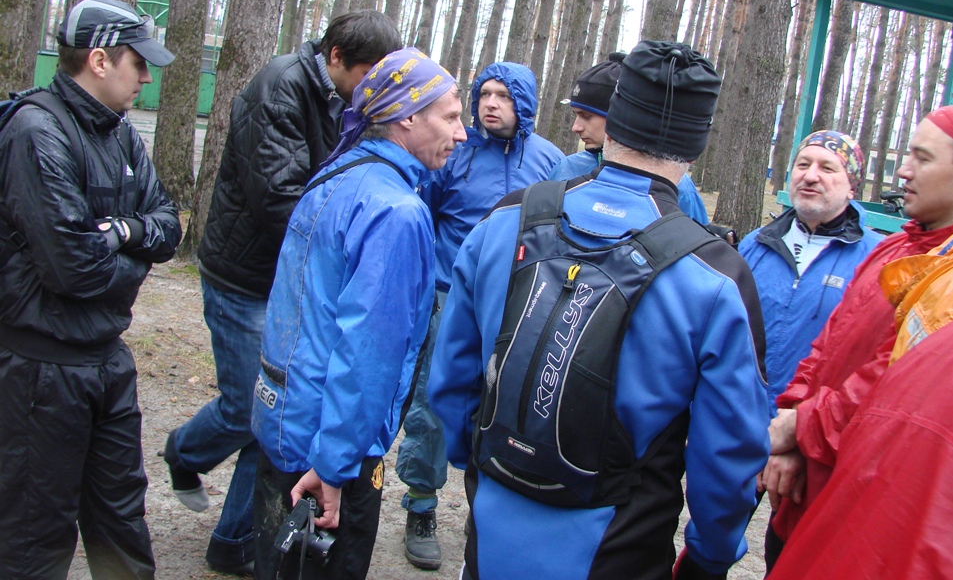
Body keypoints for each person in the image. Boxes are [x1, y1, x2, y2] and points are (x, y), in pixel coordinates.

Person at [429, 40, 769, 580]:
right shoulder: (715, 275)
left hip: (495, 516)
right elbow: (728, 452)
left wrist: (476, 464)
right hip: (621, 543)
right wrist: (711, 555)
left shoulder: (506, 220)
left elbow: (452, 377)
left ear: (614, 122)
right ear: (695, 145)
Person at [163, 11, 400, 574]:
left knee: (274, 415)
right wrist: (344, 247)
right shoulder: (279, 88)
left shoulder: (345, 98)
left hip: (285, 280)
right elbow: (279, 198)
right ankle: (185, 451)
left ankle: (233, 539)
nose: (373, 86)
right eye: (367, 72)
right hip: (244, 277)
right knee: (249, 410)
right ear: (336, 57)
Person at [760, 104, 953, 567]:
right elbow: (827, 346)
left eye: (922, 157)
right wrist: (795, 422)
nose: (904, 170)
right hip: (807, 478)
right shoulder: (898, 247)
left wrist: (802, 428)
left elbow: (890, 384)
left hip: (860, 490)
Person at [249, 48, 466, 580]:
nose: (462, 134)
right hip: (325, 449)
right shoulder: (396, 212)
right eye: (451, 117)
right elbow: (367, 354)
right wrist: (335, 466)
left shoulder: (337, 173)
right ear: (407, 116)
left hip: (284, 421)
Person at [0, 0, 182, 579]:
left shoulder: (121, 133)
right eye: (139, 62)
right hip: (41, 372)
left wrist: (122, 232)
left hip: (107, 360)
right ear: (100, 60)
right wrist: (133, 258)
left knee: (122, 518)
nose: (147, 78)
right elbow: (74, 269)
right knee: (35, 534)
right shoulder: (36, 132)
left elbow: (168, 226)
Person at [396, 61, 562, 569]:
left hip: (520, 303)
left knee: (509, 406)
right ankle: (421, 504)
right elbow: (424, 217)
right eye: (485, 94)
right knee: (434, 400)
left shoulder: (550, 161)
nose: (491, 103)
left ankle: (486, 508)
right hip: (450, 295)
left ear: (524, 104)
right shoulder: (456, 152)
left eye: (504, 96)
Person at [768, 292, 953, 579]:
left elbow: (884, 381)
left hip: (851, 489)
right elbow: (830, 341)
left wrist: (803, 426)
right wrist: (797, 415)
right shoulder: (902, 266)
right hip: (818, 488)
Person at [739, 130, 881, 418]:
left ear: (852, 187)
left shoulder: (878, 258)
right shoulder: (755, 244)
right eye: (803, 164)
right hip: (740, 418)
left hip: (810, 426)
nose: (811, 176)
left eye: (827, 168)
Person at [549, 51, 709, 224]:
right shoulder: (567, 168)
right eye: (575, 115)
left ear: (619, 117)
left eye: (586, 116)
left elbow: (695, 236)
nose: (575, 127)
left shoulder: (675, 185)